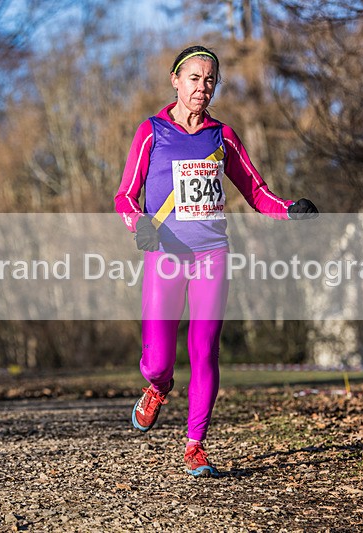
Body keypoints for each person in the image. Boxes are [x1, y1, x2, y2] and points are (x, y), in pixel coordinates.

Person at [114, 45, 318, 476]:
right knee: (157, 361)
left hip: (212, 256)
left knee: (205, 350)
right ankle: (158, 386)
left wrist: (289, 209)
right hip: (166, 256)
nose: (202, 88)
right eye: (194, 78)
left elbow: (256, 192)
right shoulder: (151, 131)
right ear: (175, 80)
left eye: (210, 80)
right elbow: (125, 196)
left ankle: (195, 445)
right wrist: (140, 224)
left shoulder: (222, 136)